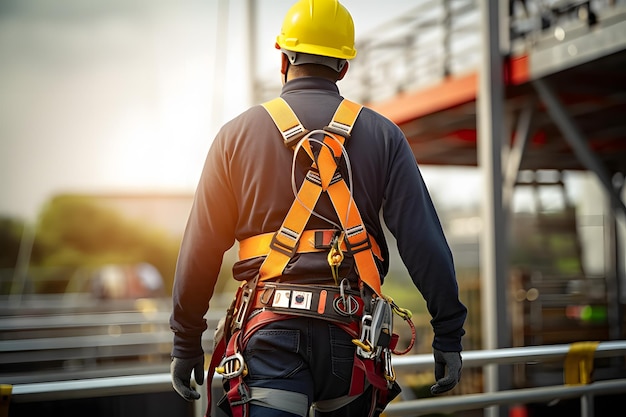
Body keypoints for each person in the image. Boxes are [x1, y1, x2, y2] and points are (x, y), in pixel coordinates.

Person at [170, 0, 467, 416]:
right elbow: (424, 242)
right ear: (344, 67)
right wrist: (448, 335)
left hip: (269, 333)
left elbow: (199, 251)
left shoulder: (235, 137)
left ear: (283, 58)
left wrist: (186, 343)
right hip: (352, 335)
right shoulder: (384, 136)